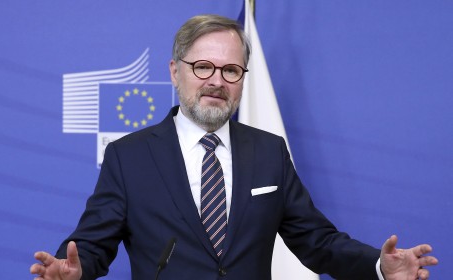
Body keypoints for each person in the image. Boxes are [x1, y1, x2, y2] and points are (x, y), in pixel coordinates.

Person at [30, 14, 438, 280]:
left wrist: (378, 266)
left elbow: (318, 241)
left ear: (243, 78)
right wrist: (74, 271)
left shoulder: (269, 151)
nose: (216, 81)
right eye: (203, 66)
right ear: (175, 72)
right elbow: (93, 245)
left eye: (230, 70)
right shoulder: (129, 156)